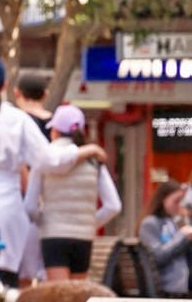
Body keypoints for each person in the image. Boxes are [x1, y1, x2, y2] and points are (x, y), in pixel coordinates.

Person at [26, 104, 121, 281]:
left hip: (54, 236)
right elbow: (113, 206)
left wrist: (44, 222)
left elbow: (30, 206)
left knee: (60, 295)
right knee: (77, 299)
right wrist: (90, 223)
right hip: (83, 238)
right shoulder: (94, 161)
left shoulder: (44, 159)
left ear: (54, 131)